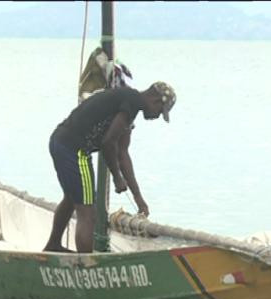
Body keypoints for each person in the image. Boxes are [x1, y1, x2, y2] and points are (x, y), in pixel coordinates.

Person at [43, 81, 176, 253]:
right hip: (73, 148)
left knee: (71, 199)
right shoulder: (132, 102)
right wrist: (117, 178)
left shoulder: (127, 106)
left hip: (60, 141)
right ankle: (86, 266)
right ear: (156, 100)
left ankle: (53, 245)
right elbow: (108, 143)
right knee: (88, 213)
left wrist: (138, 197)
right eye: (160, 111)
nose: (157, 116)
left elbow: (122, 153)